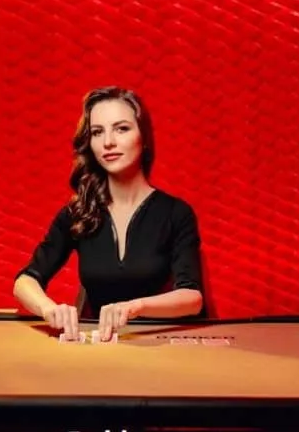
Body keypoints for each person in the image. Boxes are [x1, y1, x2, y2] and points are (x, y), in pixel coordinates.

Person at [14, 86, 205, 341]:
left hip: (158, 345)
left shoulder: (175, 213)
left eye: (121, 129)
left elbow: (193, 298)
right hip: (100, 348)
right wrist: (48, 309)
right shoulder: (79, 212)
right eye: (97, 132)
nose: (108, 142)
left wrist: (134, 307)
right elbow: (25, 280)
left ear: (144, 138)